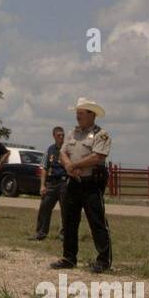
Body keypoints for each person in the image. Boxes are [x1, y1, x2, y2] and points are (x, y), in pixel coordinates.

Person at [50, 98, 113, 273]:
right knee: (69, 221)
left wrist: (75, 165)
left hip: (92, 183)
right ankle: (69, 258)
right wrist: (68, 166)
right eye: (77, 113)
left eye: (81, 113)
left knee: (97, 221)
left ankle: (103, 261)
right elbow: (62, 152)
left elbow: (97, 157)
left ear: (92, 114)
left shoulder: (101, 134)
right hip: (73, 182)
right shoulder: (72, 134)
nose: (78, 117)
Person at [31, 126, 67, 240]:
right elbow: (44, 168)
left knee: (66, 210)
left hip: (64, 183)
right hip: (51, 183)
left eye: (62, 135)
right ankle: (41, 233)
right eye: (59, 135)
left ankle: (64, 234)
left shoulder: (67, 149)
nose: (61, 137)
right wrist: (42, 185)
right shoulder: (50, 150)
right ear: (54, 136)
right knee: (44, 207)